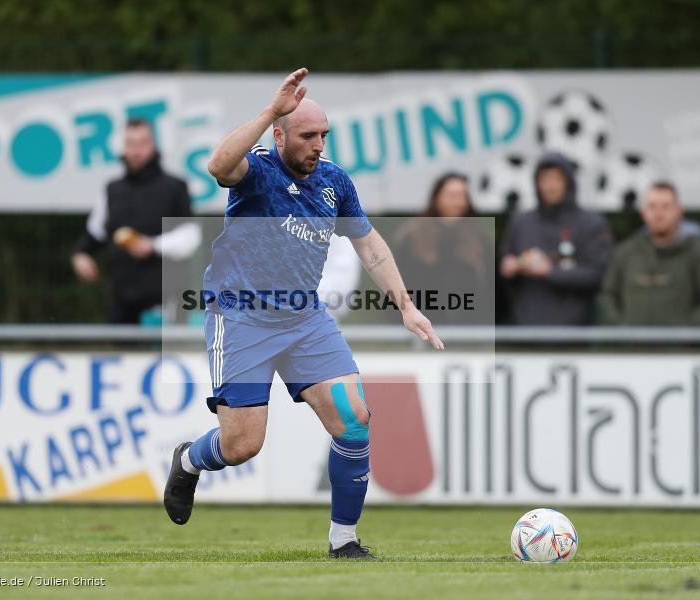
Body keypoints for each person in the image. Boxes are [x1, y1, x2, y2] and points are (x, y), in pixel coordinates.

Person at [162, 68, 443, 559]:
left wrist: (406, 305)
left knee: (354, 420)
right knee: (242, 446)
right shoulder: (258, 171)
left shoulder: (334, 181)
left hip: (303, 318)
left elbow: (368, 243)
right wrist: (272, 109)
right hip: (241, 315)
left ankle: (344, 542)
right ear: (280, 136)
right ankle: (189, 460)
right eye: (308, 136)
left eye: (323, 135)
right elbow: (218, 165)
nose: (318, 145)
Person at [71, 118, 200, 324]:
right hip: (122, 301)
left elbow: (190, 237)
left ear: (153, 145)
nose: (136, 151)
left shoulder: (174, 187)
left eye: (142, 143)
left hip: (165, 299)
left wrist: (152, 246)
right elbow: (95, 233)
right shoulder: (112, 190)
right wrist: (80, 254)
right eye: (130, 144)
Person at [499, 152, 613, 325]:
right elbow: (502, 274)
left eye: (556, 179)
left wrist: (549, 271)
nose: (550, 186)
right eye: (544, 179)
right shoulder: (521, 223)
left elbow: (598, 275)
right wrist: (511, 267)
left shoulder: (591, 224)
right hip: (526, 327)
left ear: (569, 182)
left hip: (575, 330)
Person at [598, 181, 700, 326]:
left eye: (665, 206)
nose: (658, 214)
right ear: (643, 212)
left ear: (679, 211)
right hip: (632, 340)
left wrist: (688, 332)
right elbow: (607, 296)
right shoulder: (625, 252)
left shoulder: (698, 251)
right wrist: (621, 329)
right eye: (652, 206)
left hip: (681, 341)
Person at [393, 172, 494, 325]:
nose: (458, 202)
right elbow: (396, 283)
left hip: (468, 327)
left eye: (463, 196)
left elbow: (489, 287)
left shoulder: (479, 238)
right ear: (436, 198)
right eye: (452, 195)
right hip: (421, 325)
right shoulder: (412, 236)